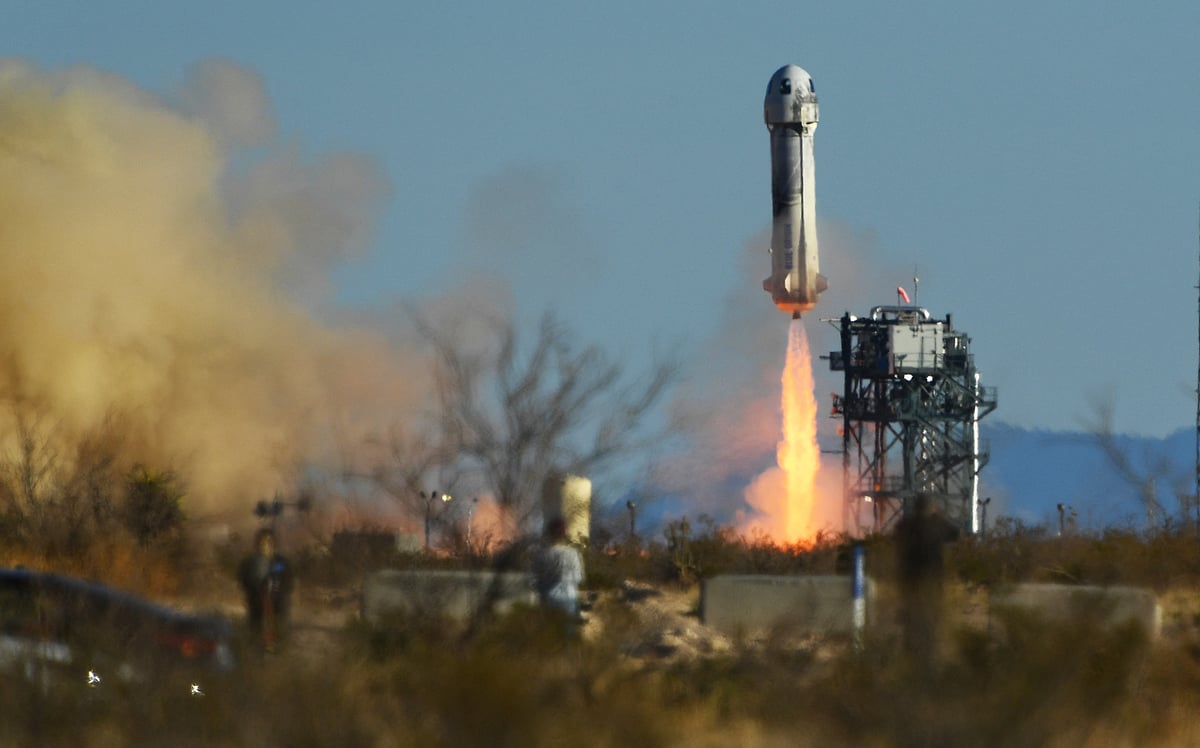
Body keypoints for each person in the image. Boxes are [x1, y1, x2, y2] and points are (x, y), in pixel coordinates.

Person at [894, 494, 960, 667]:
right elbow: (955, 534)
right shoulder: (937, 525)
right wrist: (938, 515)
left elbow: (896, 536)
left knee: (911, 618)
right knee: (931, 618)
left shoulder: (905, 526)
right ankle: (928, 655)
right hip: (932, 580)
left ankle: (910, 654)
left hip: (909, 580)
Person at [238, 527, 294, 653]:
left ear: (274, 543)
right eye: (262, 541)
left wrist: (276, 589)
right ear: (257, 544)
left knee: (279, 635)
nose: (266, 544)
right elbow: (243, 580)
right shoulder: (249, 562)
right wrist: (256, 589)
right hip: (257, 604)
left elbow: (288, 581)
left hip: (278, 605)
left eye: (269, 541)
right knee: (255, 635)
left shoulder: (281, 562)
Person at [531, 517, 585, 623]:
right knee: (568, 635)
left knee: (550, 635)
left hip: (547, 599)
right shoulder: (573, 553)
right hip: (569, 600)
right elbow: (579, 578)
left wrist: (543, 584)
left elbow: (532, 580)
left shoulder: (540, 554)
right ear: (564, 534)